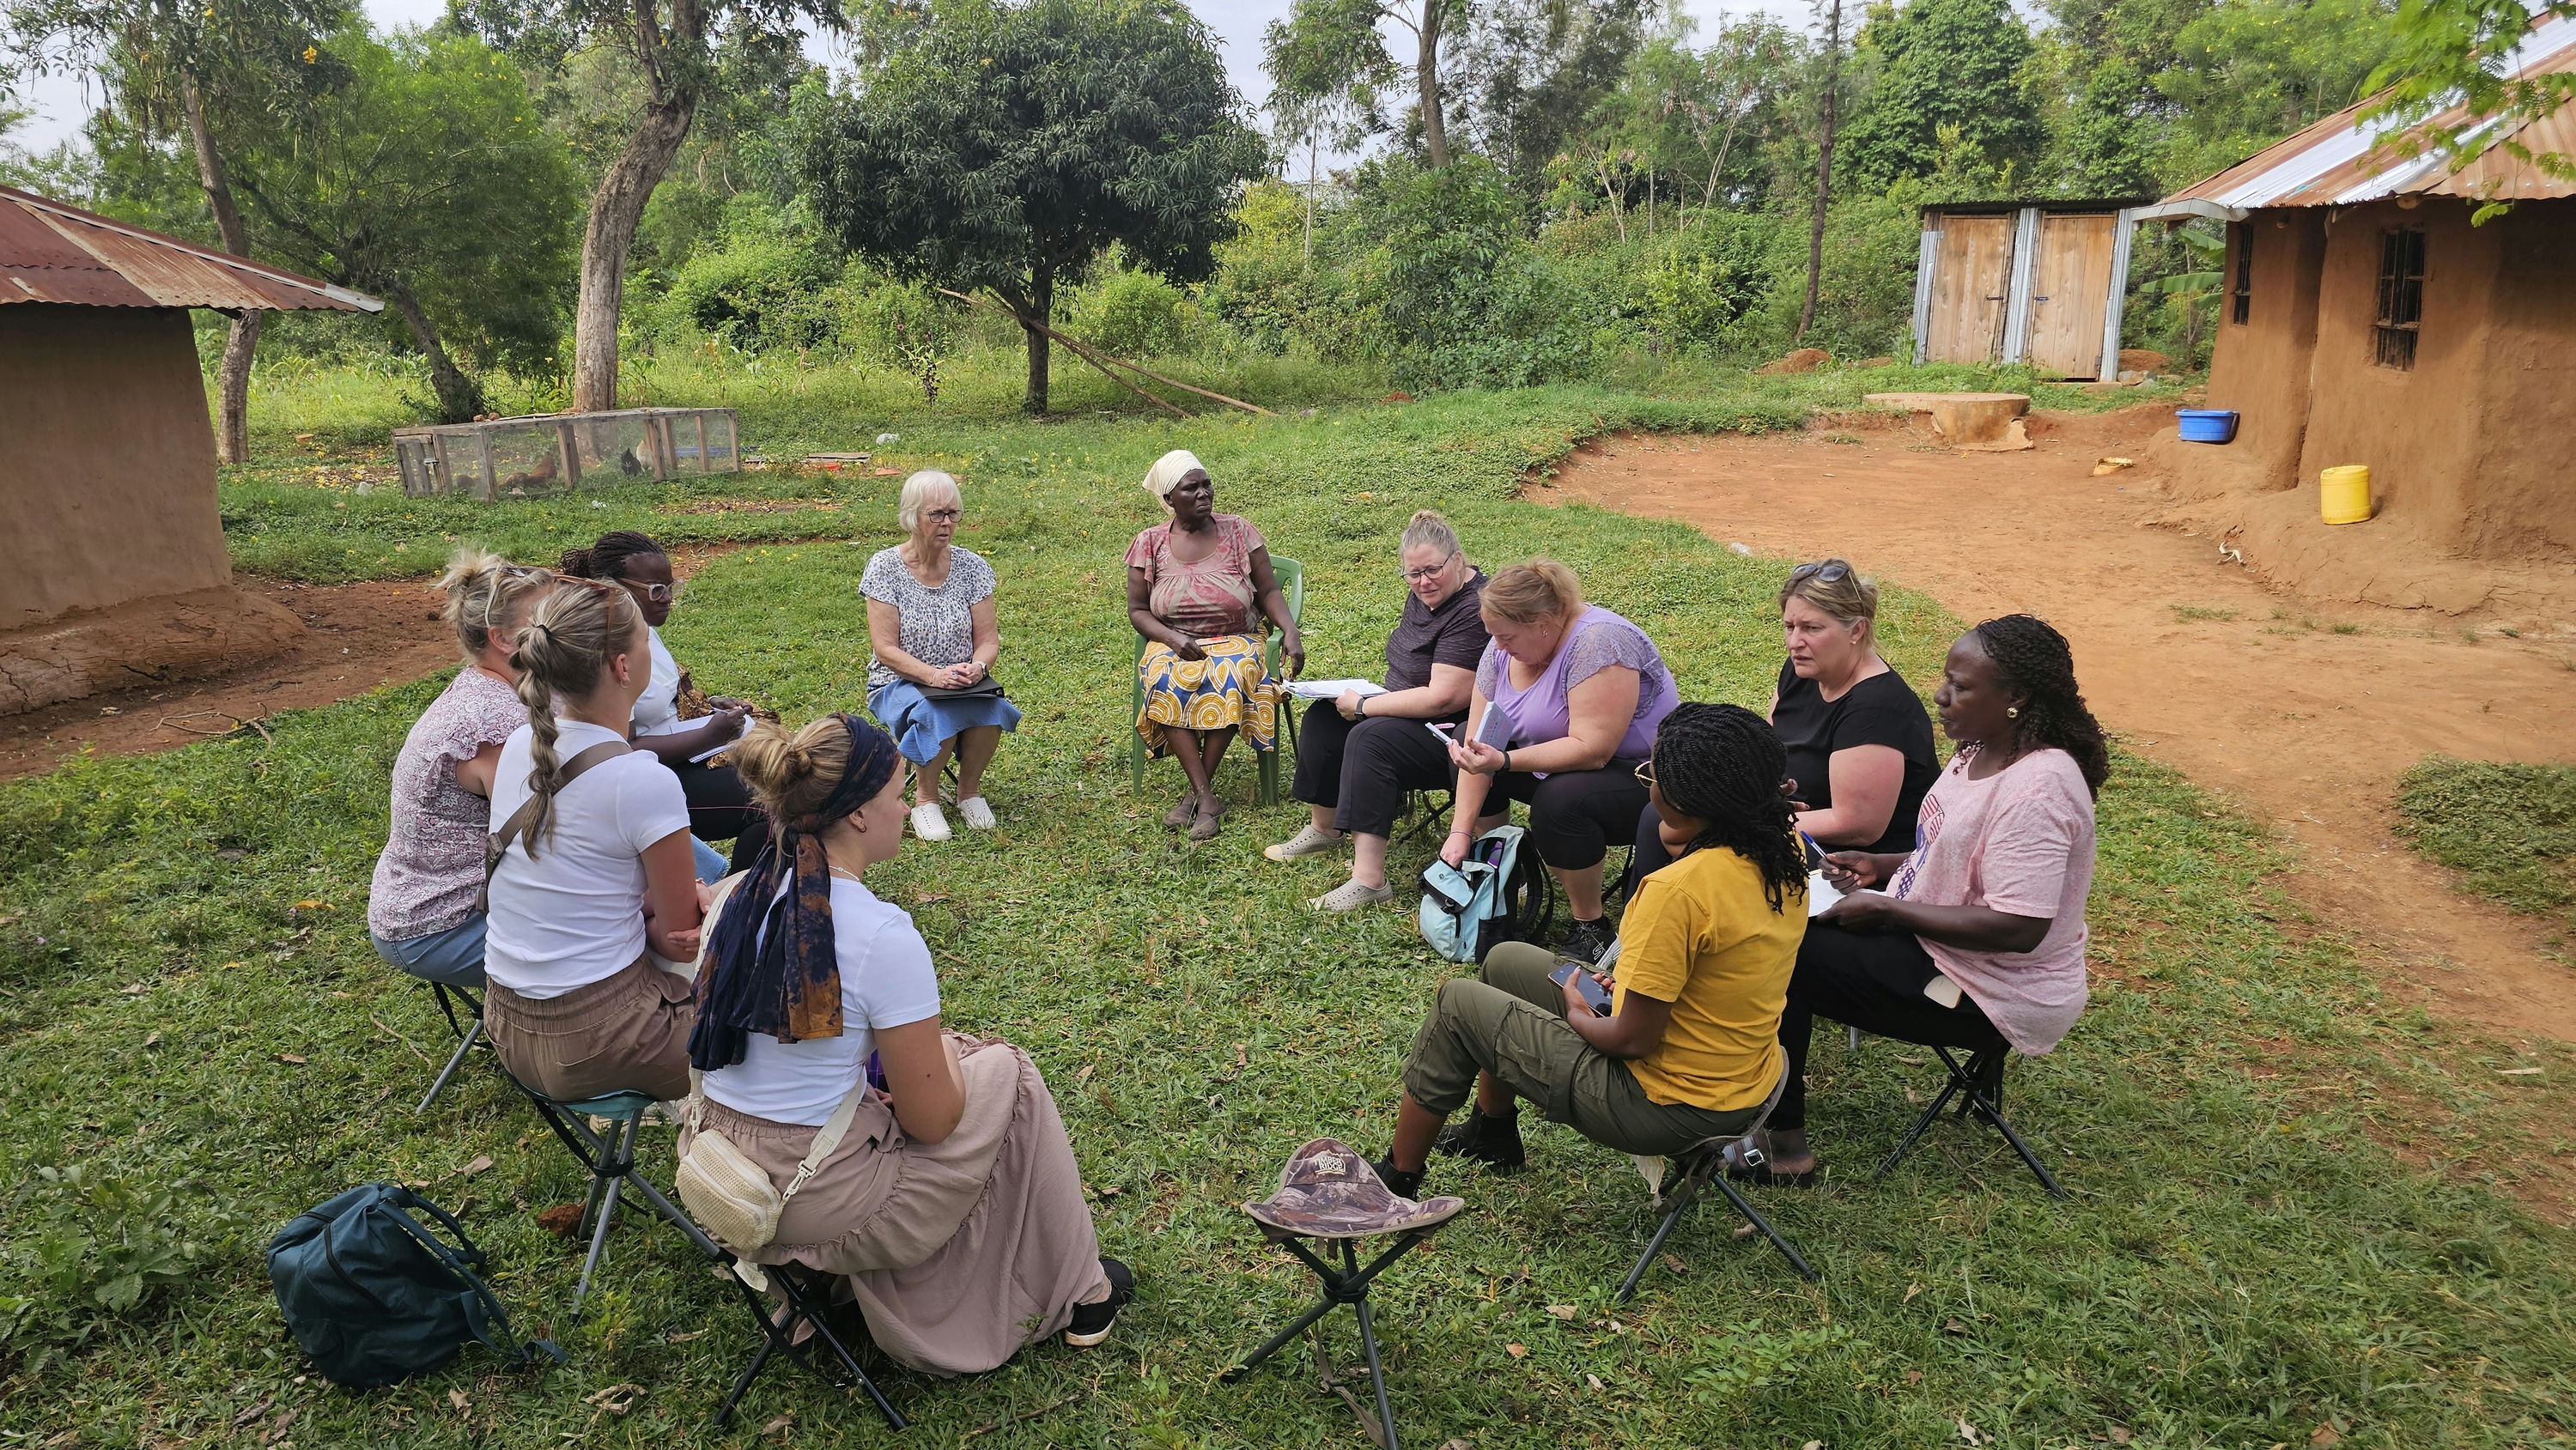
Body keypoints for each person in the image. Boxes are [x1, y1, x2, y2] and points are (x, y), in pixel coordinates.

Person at [682, 712, 1132, 1373]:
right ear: (860, 815)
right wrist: (949, 1054)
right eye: (898, 792)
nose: (904, 805)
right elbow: (933, 1122)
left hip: (718, 1164)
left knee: (904, 1078)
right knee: (1007, 1071)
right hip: (812, 1198)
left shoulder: (732, 896)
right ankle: (1083, 1293)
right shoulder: (877, 933)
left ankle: (812, 1301)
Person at [1367, 704, 1807, 1197]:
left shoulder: (1677, 892)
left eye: (1651, 778)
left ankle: (1394, 1184)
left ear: (1685, 802)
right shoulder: (1780, 848)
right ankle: (1492, 1132)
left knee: (1456, 1004)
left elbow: (1629, 1040)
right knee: (1504, 960)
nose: (1649, 787)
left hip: (1664, 1105)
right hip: (1744, 1081)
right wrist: (1632, 989)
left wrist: (1579, 1016)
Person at [1736, 614, 2105, 1185]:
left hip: (1992, 988)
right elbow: (1953, 851)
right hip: (1938, 943)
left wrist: (1884, 906)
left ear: (2016, 698)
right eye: (1946, 679)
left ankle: (1785, 1148)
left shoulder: (2037, 790)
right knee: (1780, 913)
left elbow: (2018, 926)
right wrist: (1883, 867)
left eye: (1961, 686)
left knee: (1783, 956)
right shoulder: (1981, 745)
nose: (1941, 695)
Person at [480, 577, 709, 1103]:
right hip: (601, 1041)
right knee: (785, 979)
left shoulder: (520, 745)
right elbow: (682, 933)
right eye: (646, 641)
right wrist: (701, 902)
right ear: (623, 667)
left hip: (509, 1028)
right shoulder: (644, 781)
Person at [1632, 559, 1936, 880]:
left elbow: (1859, 827)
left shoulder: (1876, 708)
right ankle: (1647, 921)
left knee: (1694, 834)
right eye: (1790, 627)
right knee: (1664, 815)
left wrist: (1743, 819)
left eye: (1812, 628)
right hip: (1789, 815)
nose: (1794, 642)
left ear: (1856, 630)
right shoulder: (1804, 668)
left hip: (1847, 859)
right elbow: (1767, 749)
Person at [1441, 560, 1680, 965]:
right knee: (1469, 753)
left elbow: (1593, 749)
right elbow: (1480, 736)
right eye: (1493, 635)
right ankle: (1502, 876)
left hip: (1645, 776)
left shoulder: (1601, 643)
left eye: (1507, 636)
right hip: (1556, 759)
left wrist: (1504, 761)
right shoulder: (1503, 644)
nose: (1498, 647)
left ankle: (1591, 926)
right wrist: (1460, 832)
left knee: (1561, 799)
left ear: (1544, 623)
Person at [1268, 510, 1492, 911]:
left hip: (1449, 730)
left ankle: (1369, 880)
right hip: (1407, 708)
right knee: (1323, 716)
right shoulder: (1428, 591)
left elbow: (1447, 697)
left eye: (1432, 571)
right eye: (1413, 574)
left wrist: (1368, 705)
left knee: (1369, 738)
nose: (1423, 582)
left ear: (1458, 560)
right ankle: (1324, 828)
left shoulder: (1472, 608)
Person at [367, 549, 556, 988]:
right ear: (503, 640)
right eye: (549, 616)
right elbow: (551, 838)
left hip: (456, 900)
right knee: (624, 932)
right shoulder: (497, 724)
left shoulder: (494, 686)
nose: (567, 624)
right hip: (441, 924)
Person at [560, 531, 764, 876]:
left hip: (677, 755)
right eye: (657, 590)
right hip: (645, 774)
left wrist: (708, 706)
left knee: (783, 772)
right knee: (774, 801)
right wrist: (709, 737)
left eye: (672, 587)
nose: (668, 598)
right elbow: (618, 748)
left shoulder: (640, 626)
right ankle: (727, 902)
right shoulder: (606, 647)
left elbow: (660, 698)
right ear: (616, 588)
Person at [1126, 449, 1304, 841]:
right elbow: (1137, 610)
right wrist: (1172, 638)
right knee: (1163, 677)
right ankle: (1207, 797)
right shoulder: (1149, 543)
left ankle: (1197, 797)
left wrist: (1289, 630)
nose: (1204, 493)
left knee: (1231, 673)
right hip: (1173, 641)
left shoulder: (1239, 530)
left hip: (1238, 638)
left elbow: (1270, 590)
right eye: (1192, 488)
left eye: (1207, 484)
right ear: (1170, 498)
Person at [862, 470, 1018, 843]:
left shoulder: (972, 566)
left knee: (992, 708)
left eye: (953, 513)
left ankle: (969, 792)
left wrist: (978, 667)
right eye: (936, 514)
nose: (947, 523)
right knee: (934, 710)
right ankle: (925, 800)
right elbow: (885, 650)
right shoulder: (885, 568)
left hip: (961, 681)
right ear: (912, 516)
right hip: (898, 681)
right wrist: (933, 676)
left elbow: (989, 640)